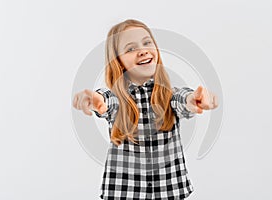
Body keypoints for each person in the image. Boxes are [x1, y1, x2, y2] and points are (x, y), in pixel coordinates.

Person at [73, 19, 218, 200]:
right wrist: (96, 100)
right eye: (130, 48)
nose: (142, 51)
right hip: (126, 191)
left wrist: (194, 99)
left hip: (169, 190)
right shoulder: (117, 99)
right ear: (119, 62)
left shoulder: (169, 95)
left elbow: (183, 99)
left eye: (147, 42)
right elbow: (106, 101)